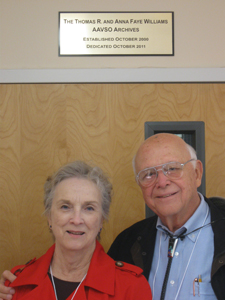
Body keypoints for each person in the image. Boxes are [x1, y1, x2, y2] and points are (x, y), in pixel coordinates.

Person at [0, 160, 152, 300]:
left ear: (101, 220)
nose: (76, 220)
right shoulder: (15, 283)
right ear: (49, 217)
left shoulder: (131, 287)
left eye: (89, 208)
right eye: (65, 207)